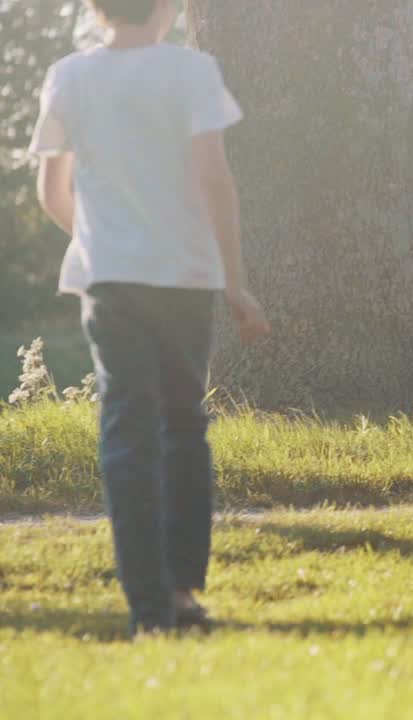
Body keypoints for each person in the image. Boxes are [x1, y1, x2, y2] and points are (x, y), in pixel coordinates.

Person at [29, 0, 270, 636]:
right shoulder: (192, 72)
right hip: (185, 278)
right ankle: (184, 592)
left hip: (108, 281)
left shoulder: (69, 76)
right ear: (167, 7)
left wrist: (98, 242)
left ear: (95, 7)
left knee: (126, 433)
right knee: (183, 427)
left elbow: (53, 193)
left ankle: (148, 609)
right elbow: (215, 179)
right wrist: (236, 284)